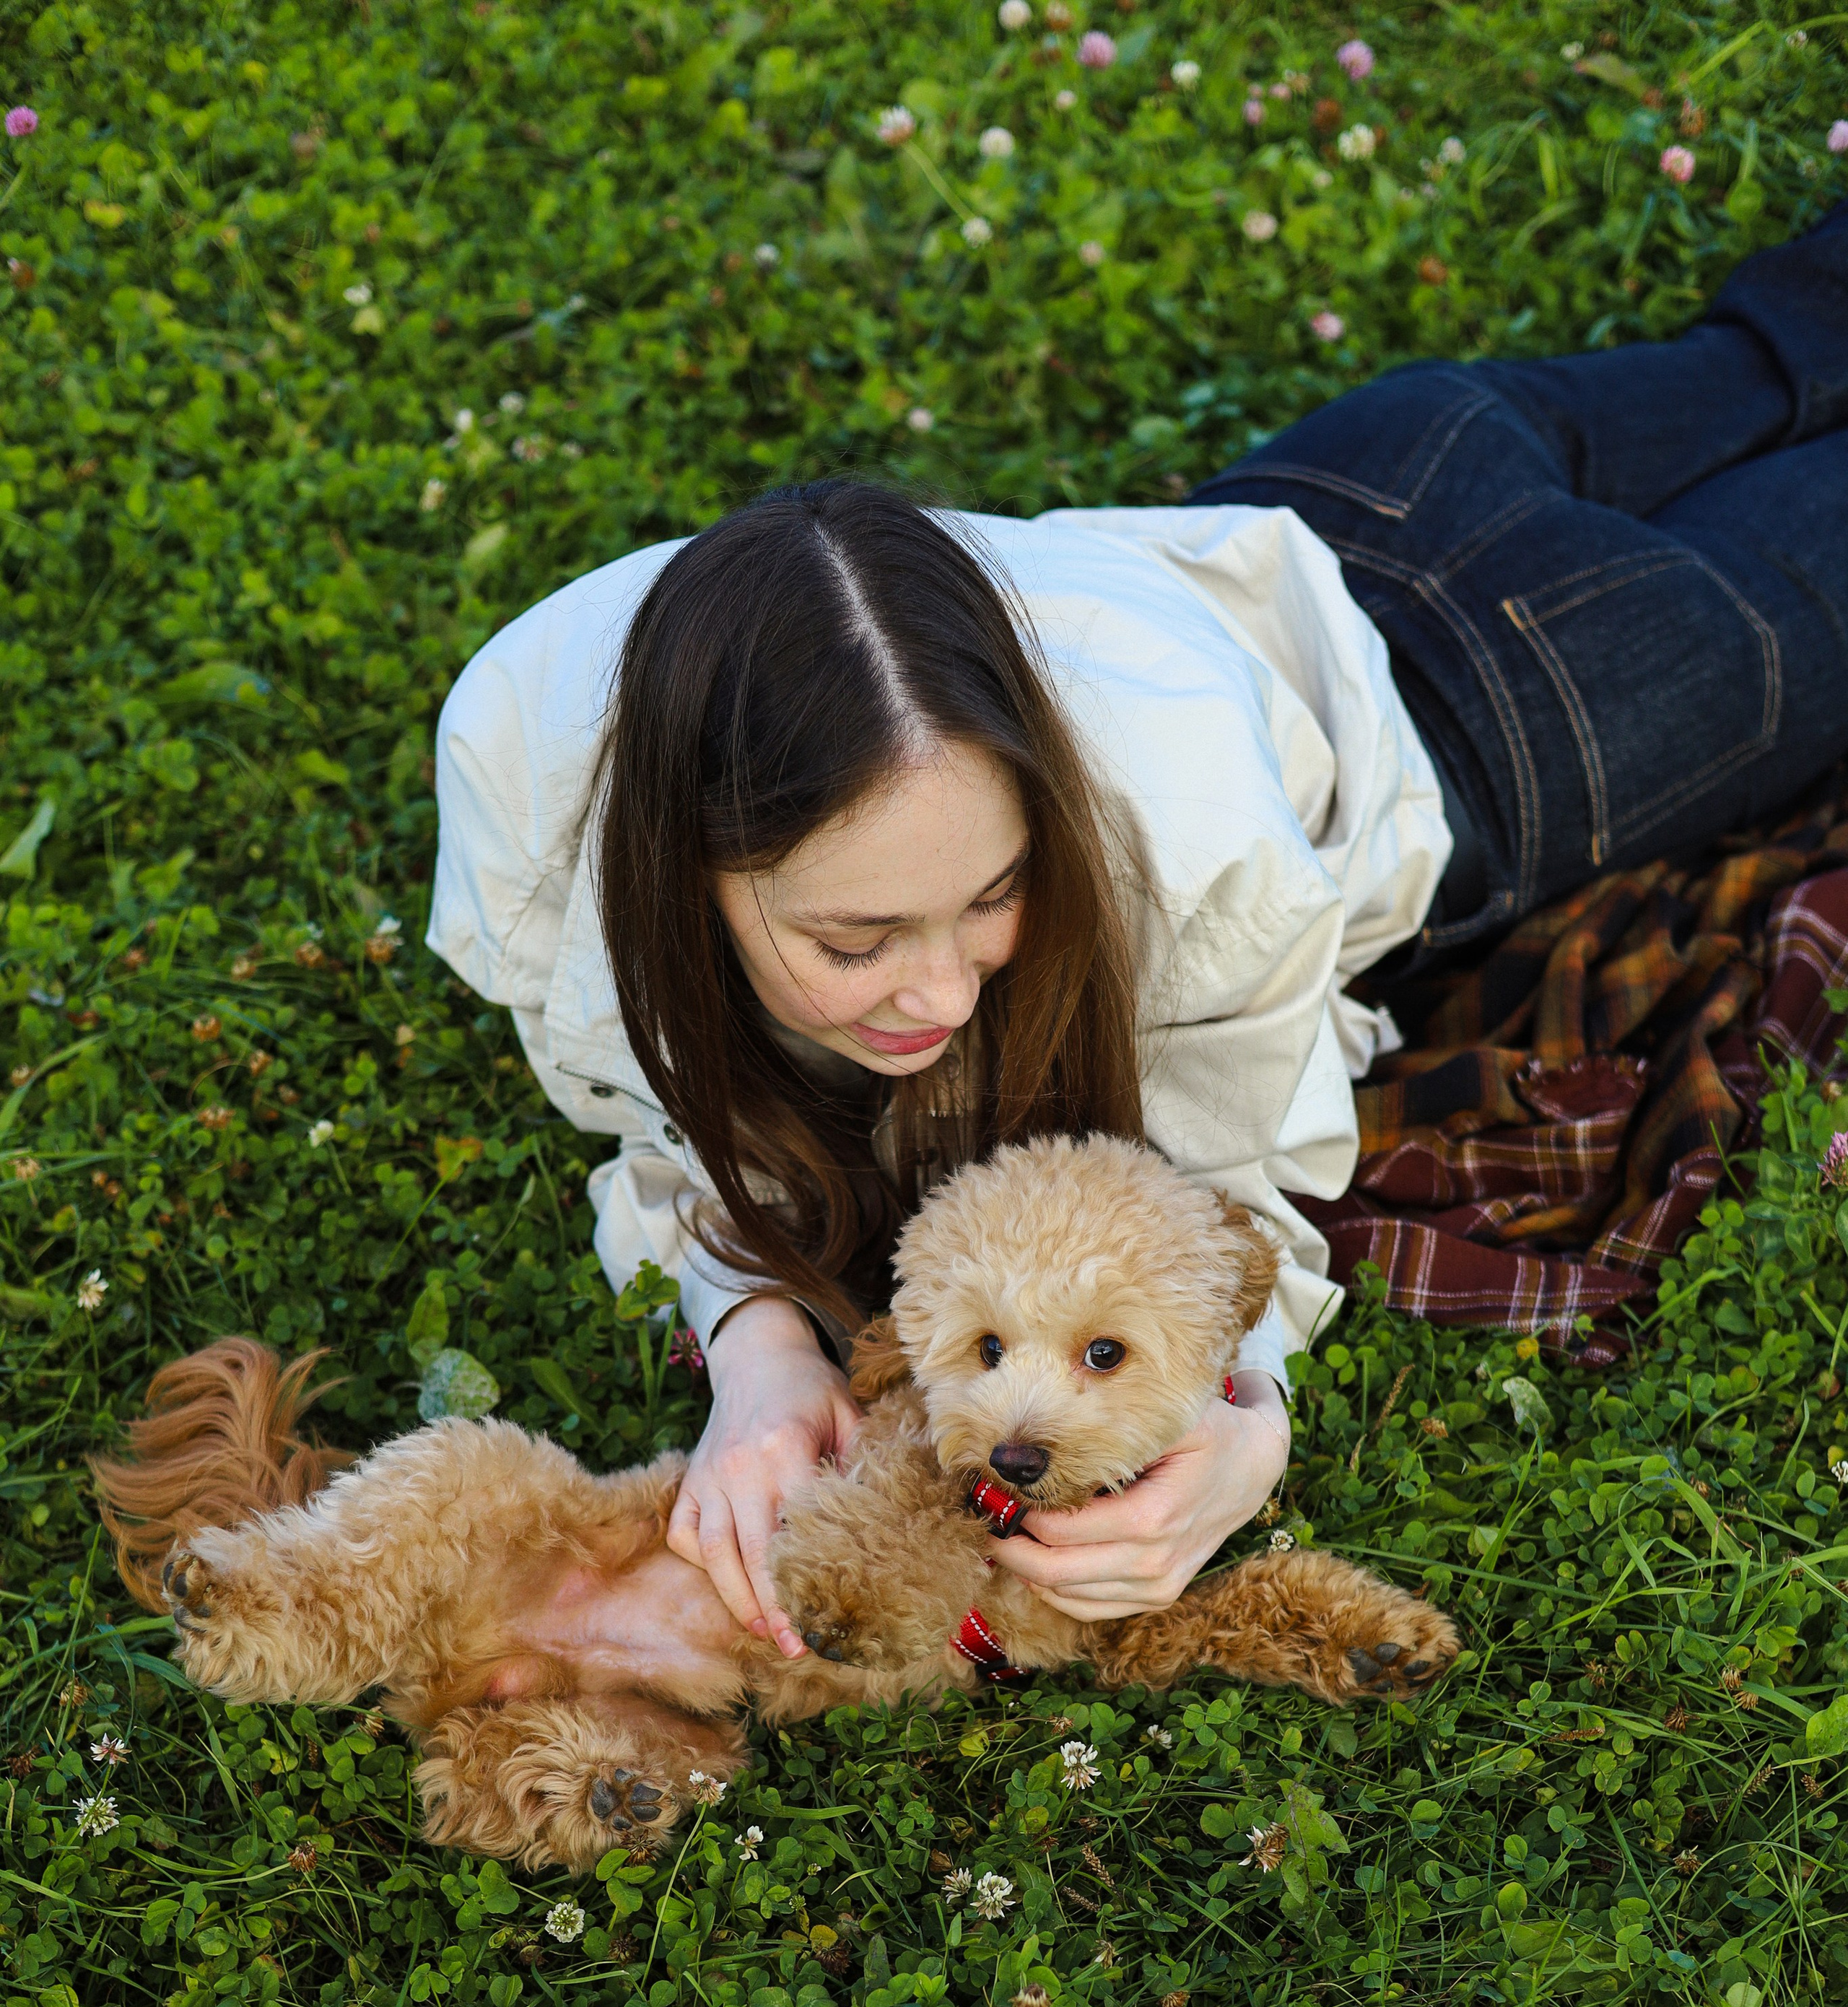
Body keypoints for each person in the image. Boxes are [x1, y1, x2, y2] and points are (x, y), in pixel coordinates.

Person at [430, 205, 1848, 1663]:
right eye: (854, 941)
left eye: (993, 898)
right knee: (1761, 372)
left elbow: (1234, 1193)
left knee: (1771, 350)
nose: (938, 989)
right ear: (685, 875)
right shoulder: (548, 827)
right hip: (1339, 492)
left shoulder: (1182, 840)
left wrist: (1247, 1419)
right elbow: (667, 1123)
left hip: (1529, 700)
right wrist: (759, 1352)